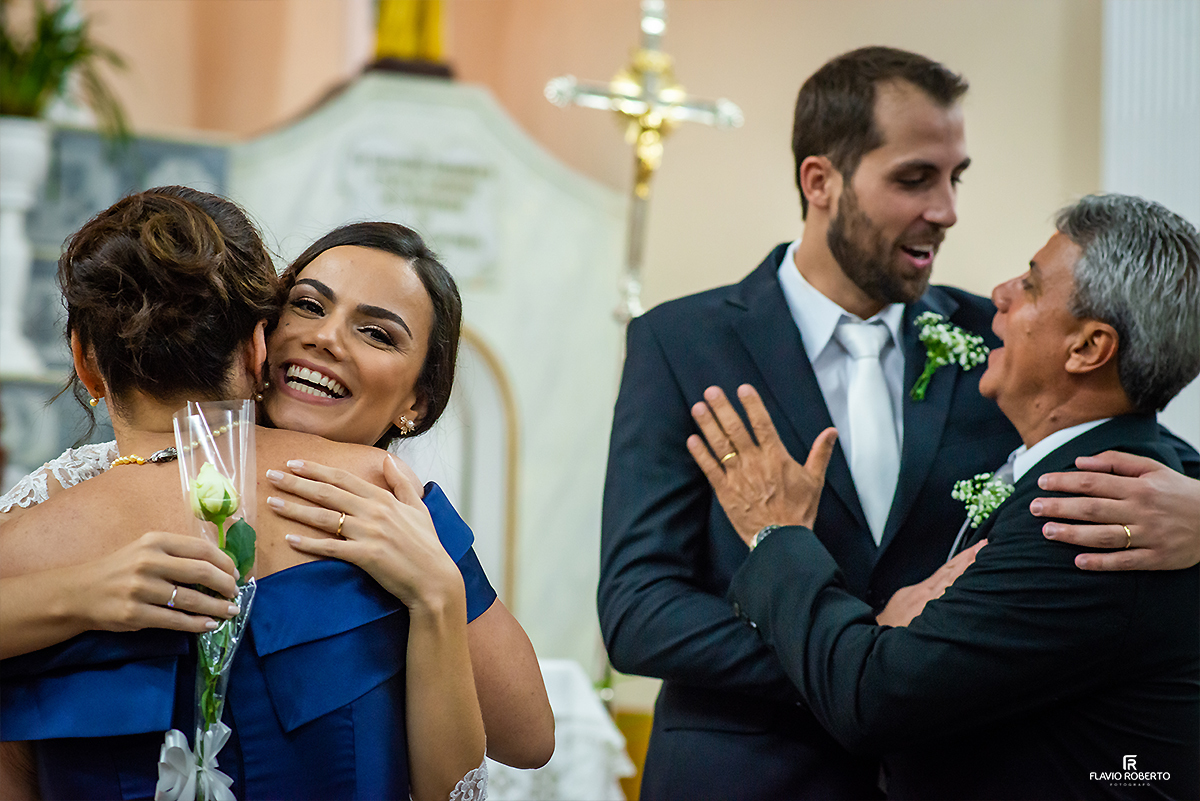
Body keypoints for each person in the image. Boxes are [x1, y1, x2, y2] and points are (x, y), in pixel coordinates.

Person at [598, 46, 1199, 800]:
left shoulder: (1001, 342)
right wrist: (874, 642)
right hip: (745, 771)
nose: (946, 209)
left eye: (955, 178)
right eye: (915, 178)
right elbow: (637, 610)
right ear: (822, 181)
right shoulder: (680, 342)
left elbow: (1134, 439)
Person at [0, 220, 554, 772]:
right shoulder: (76, 488)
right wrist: (80, 591)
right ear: (259, 338)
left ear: (418, 402)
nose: (325, 338)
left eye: (377, 333)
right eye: (310, 306)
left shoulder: (405, 508)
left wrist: (438, 590)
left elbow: (527, 740)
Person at [717, 193, 1200, 800]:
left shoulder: (1084, 516)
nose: (999, 293)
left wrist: (778, 534)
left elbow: (871, 699)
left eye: (1029, 284)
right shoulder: (1131, 475)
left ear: (1086, 348)